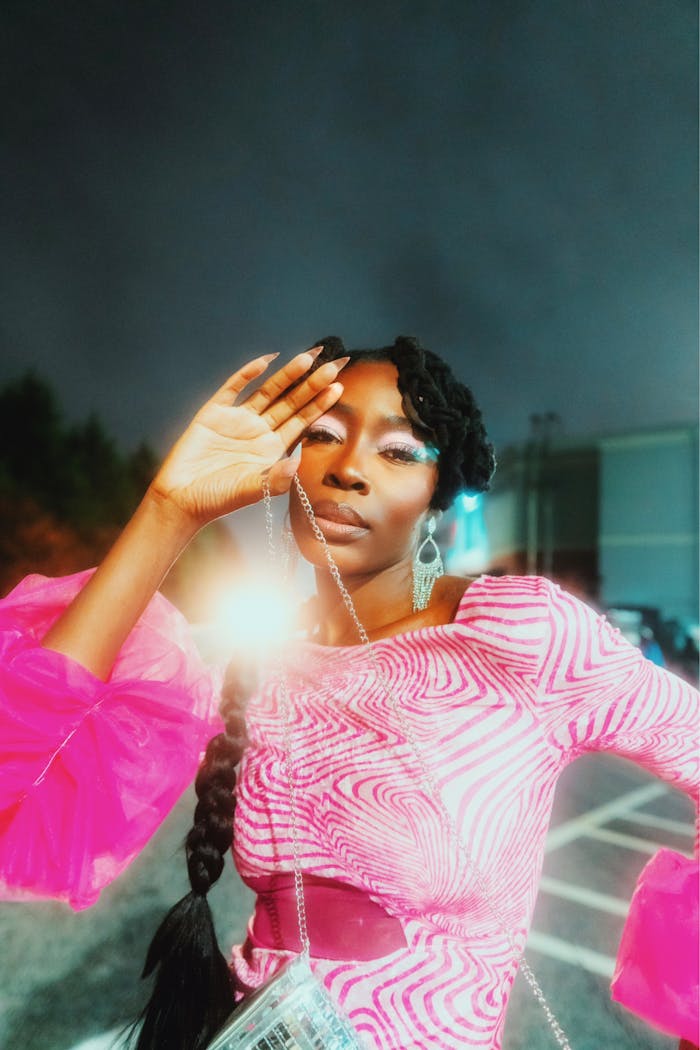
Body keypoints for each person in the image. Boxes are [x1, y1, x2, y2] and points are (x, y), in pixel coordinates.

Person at [0, 336, 697, 1050]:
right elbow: (19, 781)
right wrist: (168, 511)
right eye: (322, 436)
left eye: (397, 452)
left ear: (440, 492)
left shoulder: (517, 632)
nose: (349, 469)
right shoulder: (262, 656)